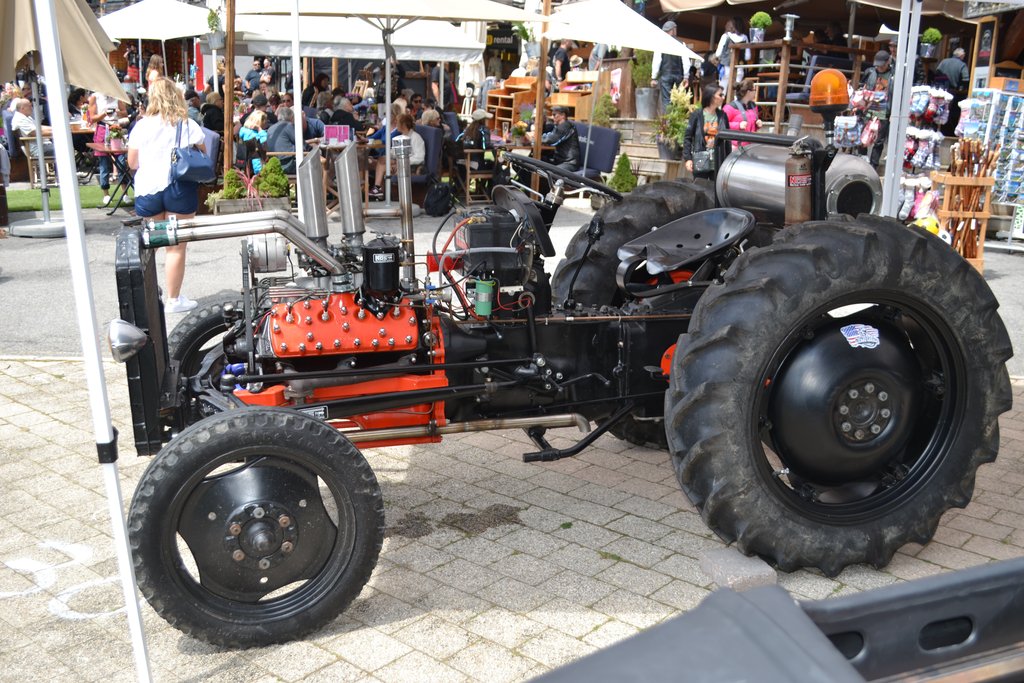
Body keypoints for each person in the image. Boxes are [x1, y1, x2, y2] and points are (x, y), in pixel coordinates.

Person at [127, 78, 207, 314]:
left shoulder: (141, 126)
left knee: (152, 245)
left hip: (148, 189)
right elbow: (203, 153)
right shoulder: (187, 124)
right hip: (178, 188)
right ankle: (173, 299)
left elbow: (132, 162)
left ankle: (148, 298)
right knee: (176, 247)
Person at [369, 113, 424, 199]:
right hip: (401, 163)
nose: (395, 123)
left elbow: (419, 158)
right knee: (382, 159)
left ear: (403, 125)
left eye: (397, 122)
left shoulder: (416, 138)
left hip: (410, 166)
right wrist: (390, 155)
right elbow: (395, 152)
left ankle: (378, 190)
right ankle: (378, 190)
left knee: (382, 165)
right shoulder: (401, 137)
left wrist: (401, 161)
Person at [682, 83, 730, 181]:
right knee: (699, 187)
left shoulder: (722, 116)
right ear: (711, 96)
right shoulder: (697, 115)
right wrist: (688, 159)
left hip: (718, 161)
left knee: (715, 188)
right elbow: (688, 137)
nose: (723, 97)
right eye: (720, 95)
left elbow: (727, 140)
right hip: (700, 159)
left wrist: (728, 160)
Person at [87, 90, 127, 205]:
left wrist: (118, 112)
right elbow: (92, 118)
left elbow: (124, 112)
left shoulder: (117, 96)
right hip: (102, 128)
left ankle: (124, 193)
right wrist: (104, 114)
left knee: (121, 162)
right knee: (104, 163)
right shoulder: (95, 97)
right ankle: (106, 193)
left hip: (116, 127)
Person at [859, 50, 894, 169]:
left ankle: (874, 165)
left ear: (888, 62)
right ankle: (861, 160)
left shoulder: (894, 75)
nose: (879, 67)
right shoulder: (870, 72)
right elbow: (862, 87)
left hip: (884, 111)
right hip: (869, 109)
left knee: (879, 140)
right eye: (877, 65)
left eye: (881, 65)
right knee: (863, 136)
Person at [526, 104, 580, 172]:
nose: (552, 117)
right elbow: (549, 136)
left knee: (545, 171)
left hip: (569, 163)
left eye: (554, 115)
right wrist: (535, 137)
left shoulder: (565, 126)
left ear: (563, 115)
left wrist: (534, 138)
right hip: (559, 160)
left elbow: (551, 140)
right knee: (532, 162)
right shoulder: (559, 126)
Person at [651, 21, 690, 112]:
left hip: (665, 75)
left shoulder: (660, 44)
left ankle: (668, 119)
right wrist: (686, 76)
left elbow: (657, 61)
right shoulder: (681, 43)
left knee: (666, 100)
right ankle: (676, 118)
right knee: (678, 100)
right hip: (678, 76)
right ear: (673, 30)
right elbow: (686, 62)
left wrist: (653, 77)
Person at [722, 78, 762, 145]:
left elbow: (750, 127)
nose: (756, 92)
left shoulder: (753, 106)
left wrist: (757, 125)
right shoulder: (730, 107)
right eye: (754, 90)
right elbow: (721, 124)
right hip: (735, 146)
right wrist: (738, 125)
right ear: (748, 92)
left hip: (750, 145)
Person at [715, 18, 750, 88]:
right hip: (739, 67)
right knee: (736, 89)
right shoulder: (745, 37)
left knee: (723, 89)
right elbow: (747, 57)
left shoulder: (725, 36)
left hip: (726, 67)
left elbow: (718, 54)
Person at [265, 106, 297, 174]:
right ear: (291, 117)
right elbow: (300, 144)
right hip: (288, 164)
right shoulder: (288, 125)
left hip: (275, 164)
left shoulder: (270, 128)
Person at [238, 109, 269, 175]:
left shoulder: (244, 131)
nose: (266, 123)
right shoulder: (254, 136)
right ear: (260, 122)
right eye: (265, 121)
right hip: (257, 169)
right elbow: (265, 145)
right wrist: (260, 130)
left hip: (244, 166)